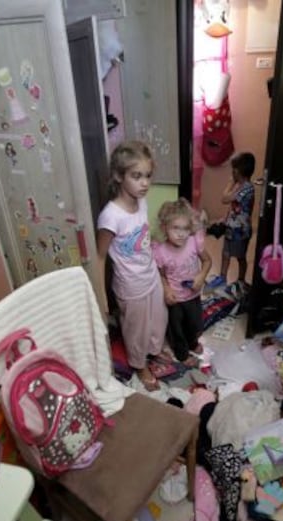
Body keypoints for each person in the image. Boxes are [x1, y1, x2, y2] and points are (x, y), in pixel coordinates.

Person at [96, 140, 168, 391]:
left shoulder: (142, 202)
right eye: (137, 176)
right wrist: (103, 298)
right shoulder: (110, 216)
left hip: (150, 277)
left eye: (147, 176)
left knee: (158, 320)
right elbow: (99, 257)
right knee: (136, 330)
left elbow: (143, 239)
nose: (145, 183)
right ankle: (139, 364)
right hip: (130, 286)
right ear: (119, 175)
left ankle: (154, 351)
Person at [153, 198, 212, 365]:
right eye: (175, 228)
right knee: (176, 329)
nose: (181, 234)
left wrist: (201, 276)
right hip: (175, 300)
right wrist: (166, 289)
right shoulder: (161, 252)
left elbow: (207, 261)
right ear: (165, 228)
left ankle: (192, 343)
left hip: (193, 295)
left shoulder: (194, 243)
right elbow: (161, 274)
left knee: (194, 324)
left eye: (185, 228)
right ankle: (182, 354)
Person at [206, 152, 256, 290]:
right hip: (231, 227)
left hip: (241, 230)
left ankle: (241, 281)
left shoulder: (247, 188)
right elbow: (234, 207)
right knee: (225, 253)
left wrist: (229, 183)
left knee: (240, 256)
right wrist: (226, 219)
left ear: (237, 171)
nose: (231, 172)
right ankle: (222, 278)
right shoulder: (239, 186)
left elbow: (224, 199)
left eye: (233, 169)